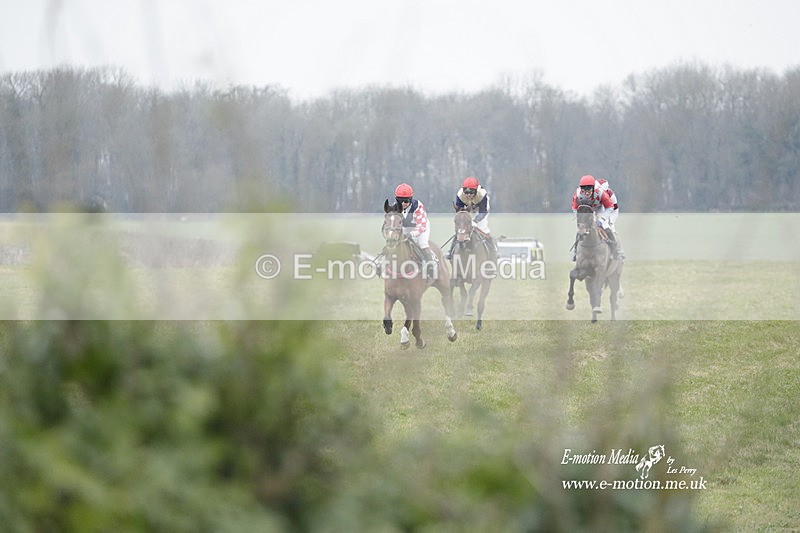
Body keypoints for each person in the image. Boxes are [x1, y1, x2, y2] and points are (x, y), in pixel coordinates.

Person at [570, 175, 625, 260]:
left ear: (593, 188)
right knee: (581, 228)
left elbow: (610, 207)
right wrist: (580, 219)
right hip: (587, 210)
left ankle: (617, 250)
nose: (587, 193)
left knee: (606, 226)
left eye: (589, 190)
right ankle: (575, 251)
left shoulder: (600, 192)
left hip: (600, 208)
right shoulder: (577, 194)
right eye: (584, 190)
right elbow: (574, 209)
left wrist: (601, 220)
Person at [391, 182, 438, 280]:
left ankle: (431, 265)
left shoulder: (417, 206)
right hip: (405, 228)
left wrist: (412, 234)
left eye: (406, 201)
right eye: (400, 201)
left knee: (422, 243)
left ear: (411, 199)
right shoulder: (395, 207)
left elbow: (422, 225)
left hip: (421, 227)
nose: (403, 204)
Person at [445, 176, 498, 260]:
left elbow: (483, 212)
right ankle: (451, 250)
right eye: (466, 192)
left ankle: (493, 250)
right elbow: (460, 211)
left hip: (481, 210)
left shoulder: (482, 194)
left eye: (471, 192)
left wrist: (475, 220)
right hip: (467, 209)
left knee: (483, 228)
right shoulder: (460, 195)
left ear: (476, 191)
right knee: (461, 229)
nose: (468, 195)